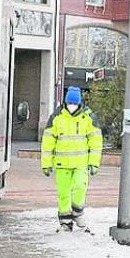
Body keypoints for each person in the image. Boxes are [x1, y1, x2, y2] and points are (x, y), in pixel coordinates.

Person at [41, 87, 103, 233]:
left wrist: (94, 163)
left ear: (79, 103)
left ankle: (77, 213)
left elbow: (96, 142)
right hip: (62, 164)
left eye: (74, 103)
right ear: (65, 102)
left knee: (80, 188)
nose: (71, 106)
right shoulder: (57, 117)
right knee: (63, 193)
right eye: (69, 102)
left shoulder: (88, 118)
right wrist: (46, 163)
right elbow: (48, 142)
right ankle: (65, 222)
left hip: (81, 163)